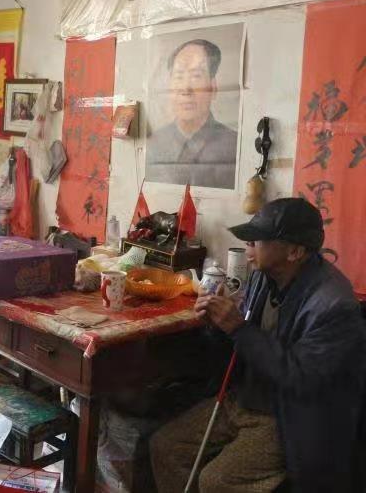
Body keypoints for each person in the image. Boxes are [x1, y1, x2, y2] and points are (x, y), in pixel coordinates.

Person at [150, 198, 366, 493]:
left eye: (258, 238)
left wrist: (238, 327)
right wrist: (217, 323)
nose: (248, 244)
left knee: (216, 481)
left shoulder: (333, 304)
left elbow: (301, 377)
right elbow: (239, 345)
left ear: (294, 251)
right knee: (166, 447)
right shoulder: (264, 276)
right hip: (245, 397)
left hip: (287, 415)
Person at [147, 39, 238, 189]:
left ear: (213, 87)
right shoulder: (152, 145)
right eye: (179, 77)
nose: (185, 89)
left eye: (196, 76)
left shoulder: (235, 147)